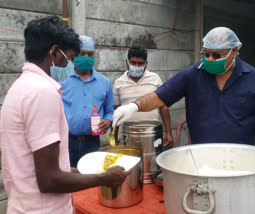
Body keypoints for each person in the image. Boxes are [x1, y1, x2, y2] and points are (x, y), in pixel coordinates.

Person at [0, 16, 129, 214]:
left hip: (24, 204)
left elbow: (35, 164)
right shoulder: (43, 92)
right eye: (67, 58)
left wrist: (81, 170)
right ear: (53, 52)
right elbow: (49, 179)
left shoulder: (19, 88)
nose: (67, 65)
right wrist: (103, 179)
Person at [112, 27, 255, 148]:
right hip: (201, 156)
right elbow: (159, 97)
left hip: (241, 156)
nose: (210, 59)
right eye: (206, 54)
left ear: (234, 51)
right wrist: (134, 106)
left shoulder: (252, 77)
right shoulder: (192, 75)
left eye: (216, 55)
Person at [59, 35, 115, 167]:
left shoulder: (104, 83)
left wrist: (108, 120)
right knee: (69, 180)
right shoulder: (62, 82)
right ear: (74, 56)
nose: (86, 57)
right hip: (68, 142)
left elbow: (109, 110)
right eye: (82, 53)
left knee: (90, 177)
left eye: (90, 54)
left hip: (92, 143)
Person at [113, 45, 173, 147]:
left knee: (152, 161)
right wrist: (114, 137)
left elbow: (163, 106)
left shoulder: (155, 79)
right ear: (126, 62)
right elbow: (116, 112)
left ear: (146, 64)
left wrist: (168, 132)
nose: (136, 67)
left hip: (152, 134)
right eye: (133, 63)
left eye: (140, 63)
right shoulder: (119, 83)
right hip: (128, 135)